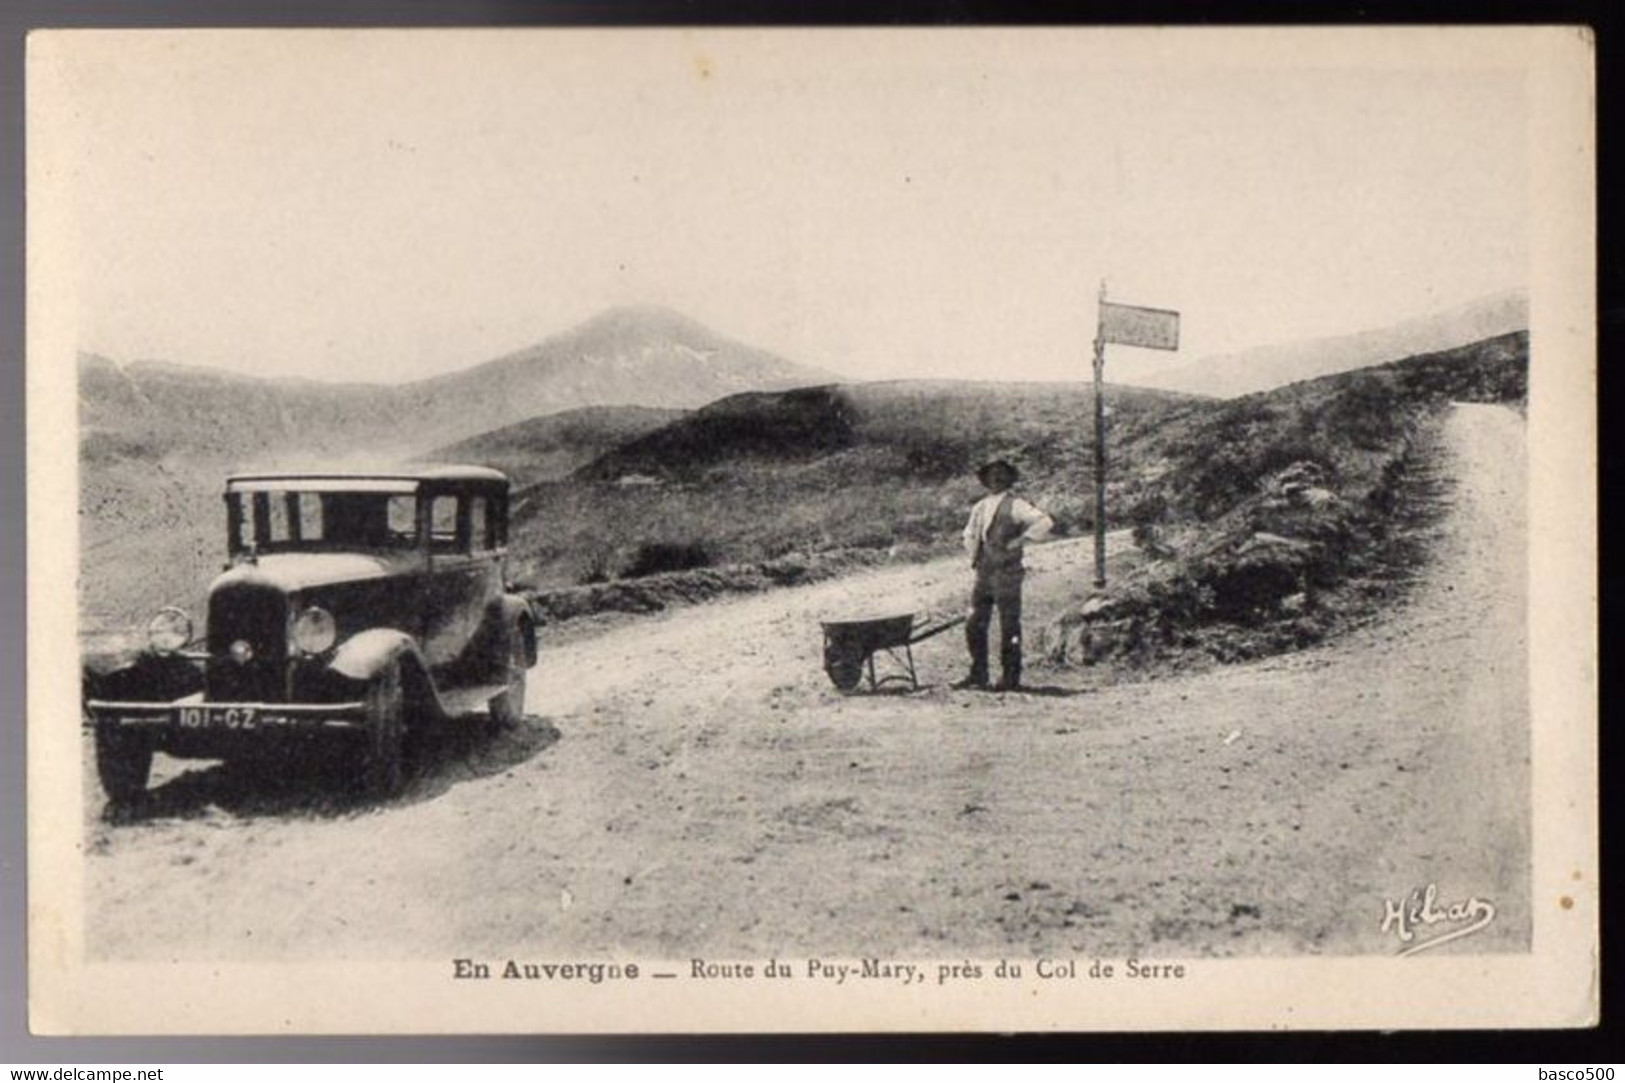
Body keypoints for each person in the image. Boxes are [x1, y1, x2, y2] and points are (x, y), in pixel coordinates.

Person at [956, 459, 1053, 692]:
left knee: (1009, 625)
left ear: (1009, 479)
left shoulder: (1017, 504)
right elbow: (969, 533)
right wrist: (976, 556)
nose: (996, 478)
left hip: (1007, 573)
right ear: (986, 479)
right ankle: (978, 673)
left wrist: (1019, 541)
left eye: (1002, 475)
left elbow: (1044, 521)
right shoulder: (980, 506)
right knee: (974, 623)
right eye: (992, 474)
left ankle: (1010, 676)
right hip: (984, 572)